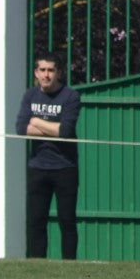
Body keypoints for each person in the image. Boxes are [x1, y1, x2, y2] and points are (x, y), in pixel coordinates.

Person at [15, 51, 82, 259]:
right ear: (36, 72)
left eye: (50, 70)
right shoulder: (30, 95)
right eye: (42, 70)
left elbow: (65, 131)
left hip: (65, 167)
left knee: (67, 219)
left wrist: (36, 122)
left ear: (59, 73)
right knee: (36, 220)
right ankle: (37, 267)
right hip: (37, 166)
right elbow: (20, 129)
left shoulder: (70, 96)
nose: (46, 75)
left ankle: (69, 265)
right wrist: (50, 127)